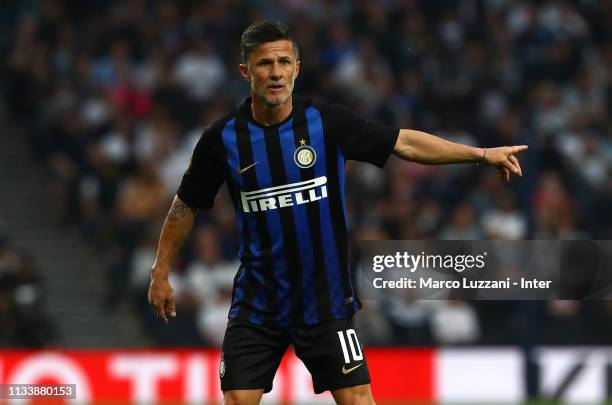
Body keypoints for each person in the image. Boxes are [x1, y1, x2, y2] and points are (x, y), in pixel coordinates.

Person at [148, 20, 527, 405]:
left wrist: (480, 155)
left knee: (359, 399)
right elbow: (185, 204)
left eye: (283, 62)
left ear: (297, 67)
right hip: (257, 304)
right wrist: (160, 270)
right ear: (246, 71)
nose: (275, 73)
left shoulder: (326, 122)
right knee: (237, 401)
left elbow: (405, 143)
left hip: (325, 302)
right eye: (264, 64)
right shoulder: (221, 139)